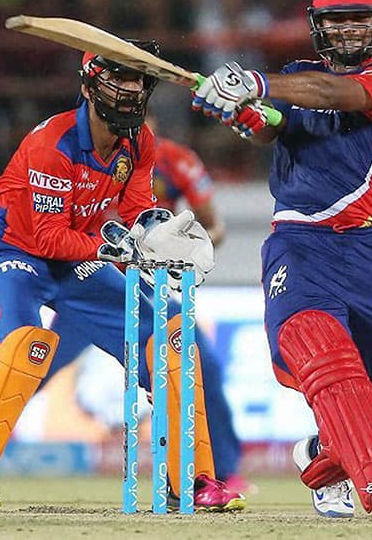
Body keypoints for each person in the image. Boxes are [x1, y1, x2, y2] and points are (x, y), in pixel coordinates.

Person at [0, 43, 246, 513]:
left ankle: (194, 480)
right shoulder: (51, 144)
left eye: (137, 80)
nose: (129, 90)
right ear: (88, 86)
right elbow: (46, 238)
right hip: (8, 247)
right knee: (25, 344)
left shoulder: (141, 141)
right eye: (118, 79)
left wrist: (159, 235)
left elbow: (139, 209)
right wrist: (117, 248)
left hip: (75, 251)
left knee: (170, 333)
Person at [192, 0, 372, 523]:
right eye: (338, 19)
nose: (350, 30)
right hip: (301, 248)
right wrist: (244, 113)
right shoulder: (297, 78)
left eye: (361, 19)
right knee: (325, 360)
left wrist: (257, 84)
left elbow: (338, 94)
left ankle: (323, 460)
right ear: (319, 26)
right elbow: (274, 125)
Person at [43, 110, 248, 492]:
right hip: (93, 281)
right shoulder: (88, 158)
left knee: (197, 367)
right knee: (35, 364)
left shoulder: (176, 161)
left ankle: (219, 471)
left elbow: (213, 226)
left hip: (152, 286)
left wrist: (188, 253)